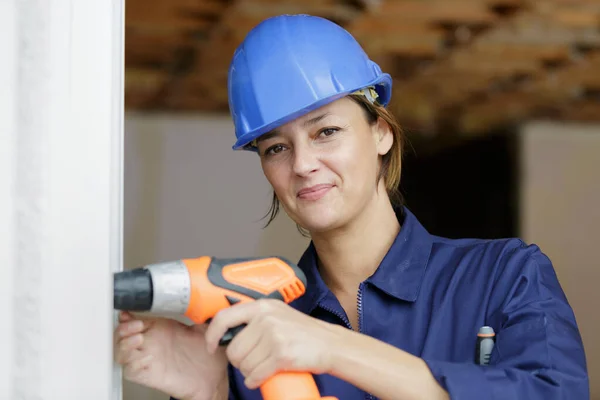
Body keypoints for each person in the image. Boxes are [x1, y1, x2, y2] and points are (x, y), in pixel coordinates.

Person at [114, 14, 589, 400]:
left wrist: (333, 349)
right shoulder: (254, 328)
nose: (302, 164)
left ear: (382, 132)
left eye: (326, 132)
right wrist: (212, 391)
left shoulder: (504, 276)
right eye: (276, 148)